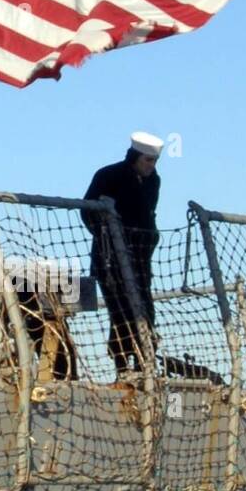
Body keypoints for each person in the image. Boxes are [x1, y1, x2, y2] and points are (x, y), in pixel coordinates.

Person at [81, 131, 163, 377]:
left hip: (139, 259)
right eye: (147, 160)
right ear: (135, 157)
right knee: (120, 309)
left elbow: (148, 213)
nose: (151, 166)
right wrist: (108, 233)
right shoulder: (109, 176)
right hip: (110, 259)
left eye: (154, 161)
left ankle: (143, 362)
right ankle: (122, 363)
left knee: (145, 309)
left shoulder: (153, 180)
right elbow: (88, 210)